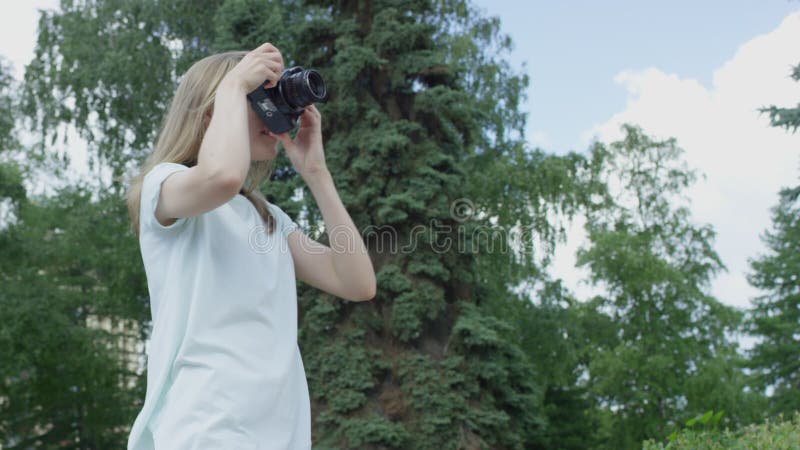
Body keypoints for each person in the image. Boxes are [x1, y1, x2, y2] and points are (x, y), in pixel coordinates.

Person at [124, 42, 377, 450]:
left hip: (280, 435)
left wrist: (317, 175)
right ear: (212, 112)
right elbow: (222, 176)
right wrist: (232, 84)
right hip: (207, 429)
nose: (272, 113)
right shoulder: (166, 187)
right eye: (256, 99)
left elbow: (357, 282)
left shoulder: (268, 218)